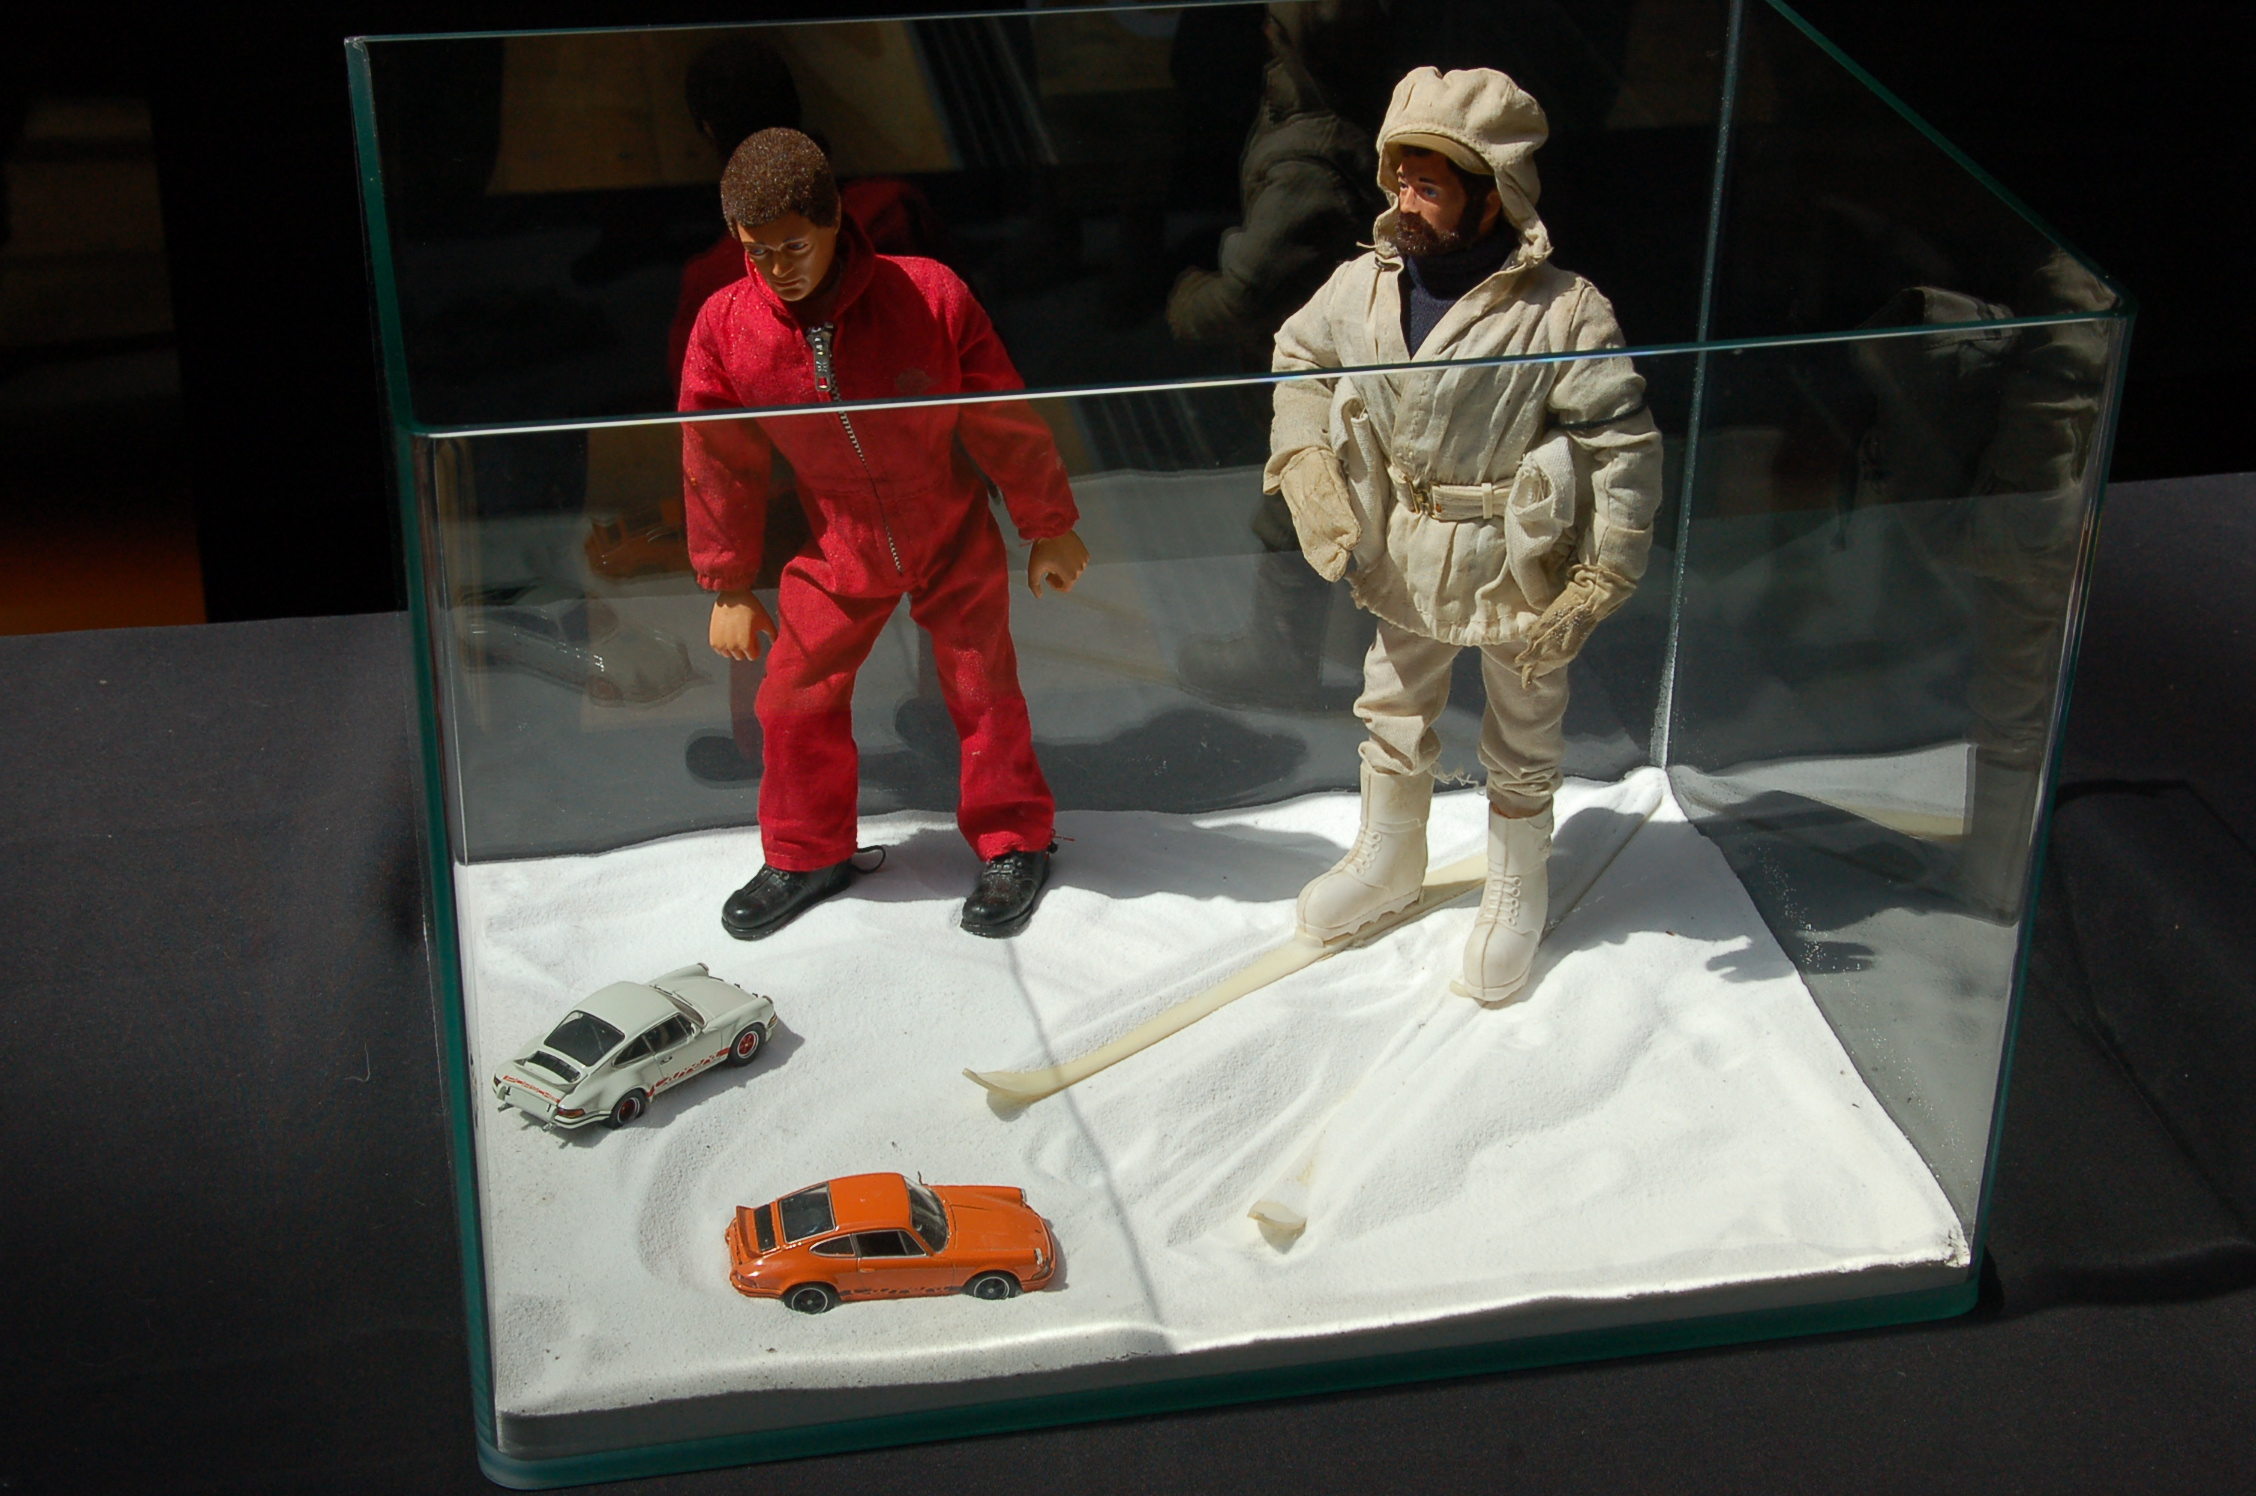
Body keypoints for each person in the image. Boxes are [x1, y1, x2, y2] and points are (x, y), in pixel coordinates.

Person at [1267, 66, 1663, 1003]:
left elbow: (1620, 444)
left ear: (1495, 195)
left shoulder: (1561, 311)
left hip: (1519, 557)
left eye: (1432, 187)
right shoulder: (1362, 286)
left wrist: (1605, 572)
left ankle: (1518, 885)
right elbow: (1297, 358)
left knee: (1525, 725)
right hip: (1405, 541)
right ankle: (1388, 857)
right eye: (1400, 180)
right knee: (1392, 701)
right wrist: (1306, 457)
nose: (1407, 201)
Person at [678, 128, 1091, 939]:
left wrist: (1048, 523)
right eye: (757, 252)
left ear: (835, 220)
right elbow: (716, 458)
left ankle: (1014, 840)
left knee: (982, 689)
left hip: (949, 525)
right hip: (837, 544)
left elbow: (998, 413)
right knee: (791, 697)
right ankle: (806, 851)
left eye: (795, 245)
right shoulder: (726, 327)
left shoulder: (926, 294)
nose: (778, 268)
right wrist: (727, 582)